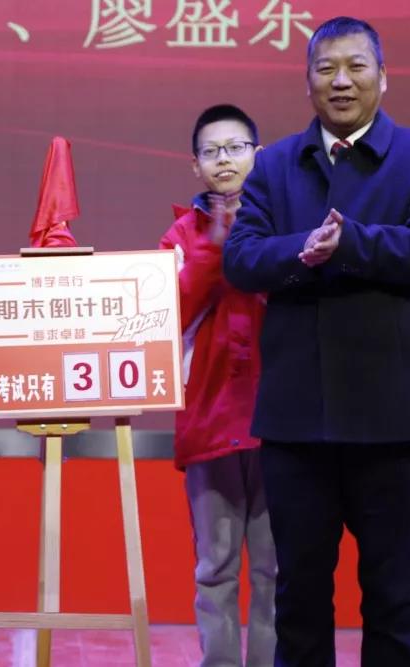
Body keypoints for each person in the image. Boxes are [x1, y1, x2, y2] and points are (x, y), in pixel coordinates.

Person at [223, 16, 410, 667]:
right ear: (307, 81)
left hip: (391, 422)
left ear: (383, 77)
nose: (341, 81)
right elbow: (241, 258)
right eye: (326, 68)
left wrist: (351, 242)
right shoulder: (274, 165)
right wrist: (302, 250)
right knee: (298, 595)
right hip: (296, 422)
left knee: (393, 596)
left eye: (356, 66)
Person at [159, 104, 276, 667]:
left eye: (235, 148)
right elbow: (168, 316)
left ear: (258, 154)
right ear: (195, 165)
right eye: (211, 152)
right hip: (208, 422)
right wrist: (214, 243)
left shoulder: (285, 220)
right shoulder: (179, 237)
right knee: (215, 569)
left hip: (280, 422)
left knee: (278, 571)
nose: (224, 160)